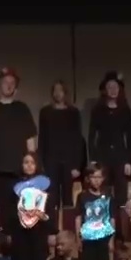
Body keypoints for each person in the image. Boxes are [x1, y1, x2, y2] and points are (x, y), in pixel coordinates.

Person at [0, 67, 38, 214]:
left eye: (12, 82)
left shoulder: (22, 109)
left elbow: (30, 139)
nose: (9, 85)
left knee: (17, 209)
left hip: (18, 171)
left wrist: (32, 164)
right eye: (5, 82)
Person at [87, 71, 131, 206]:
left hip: (120, 155)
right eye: (110, 87)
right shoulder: (98, 110)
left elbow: (129, 136)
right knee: (103, 191)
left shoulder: (125, 110)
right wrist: (93, 159)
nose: (113, 90)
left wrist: (128, 161)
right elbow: (92, 135)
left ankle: (120, 224)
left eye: (116, 87)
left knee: (121, 193)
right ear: (105, 90)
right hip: (103, 155)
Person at [37, 80, 84, 208]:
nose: (58, 94)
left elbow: (77, 140)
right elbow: (42, 138)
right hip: (50, 159)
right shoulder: (45, 112)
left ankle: (67, 226)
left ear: (65, 93)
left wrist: (76, 165)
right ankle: (53, 227)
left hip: (68, 160)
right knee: (52, 197)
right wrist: (40, 163)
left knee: (68, 197)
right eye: (55, 90)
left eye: (60, 90)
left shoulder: (73, 112)